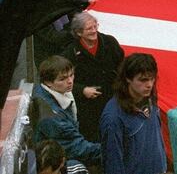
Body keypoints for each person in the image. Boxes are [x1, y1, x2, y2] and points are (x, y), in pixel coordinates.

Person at [62, 12, 124, 142]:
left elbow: (122, 66)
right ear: (79, 33)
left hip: (112, 98)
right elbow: (62, 82)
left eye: (95, 26)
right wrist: (82, 90)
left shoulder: (110, 42)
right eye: (89, 28)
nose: (94, 30)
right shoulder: (70, 53)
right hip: (88, 108)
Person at [100, 53, 167, 174]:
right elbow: (113, 164)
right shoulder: (113, 118)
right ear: (128, 78)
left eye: (152, 78)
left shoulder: (149, 97)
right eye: (143, 80)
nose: (149, 85)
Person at [30, 56, 102, 167]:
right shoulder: (53, 119)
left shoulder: (45, 90)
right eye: (62, 79)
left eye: (71, 75)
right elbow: (78, 149)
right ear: (48, 82)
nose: (70, 81)